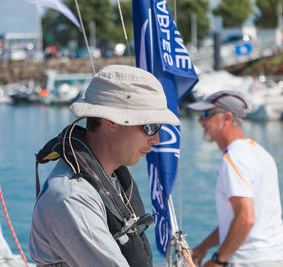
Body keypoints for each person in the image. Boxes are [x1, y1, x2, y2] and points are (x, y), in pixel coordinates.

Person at [29, 65, 180, 267]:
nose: (157, 139)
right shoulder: (73, 198)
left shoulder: (108, 180)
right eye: (149, 127)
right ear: (111, 121)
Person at [187, 90, 283, 267]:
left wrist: (218, 260)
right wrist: (204, 247)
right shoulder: (259, 152)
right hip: (276, 255)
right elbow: (236, 220)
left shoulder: (233, 158)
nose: (200, 121)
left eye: (206, 114)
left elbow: (245, 218)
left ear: (227, 117)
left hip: (250, 260)